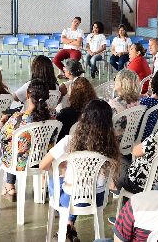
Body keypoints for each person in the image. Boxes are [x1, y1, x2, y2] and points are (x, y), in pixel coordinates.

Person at [40, 99, 121, 241]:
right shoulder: (111, 146)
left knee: (55, 182)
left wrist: (61, 167)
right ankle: (69, 225)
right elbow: (112, 182)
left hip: (69, 199)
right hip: (98, 199)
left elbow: (43, 165)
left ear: (83, 119)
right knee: (80, 187)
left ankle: (65, 228)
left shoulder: (68, 141)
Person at [0, 79, 51, 201]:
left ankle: (9, 185)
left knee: (11, 144)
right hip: (42, 159)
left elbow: (0, 137)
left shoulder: (18, 118)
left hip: (21, 164)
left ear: (27, 95)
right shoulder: (52, 117)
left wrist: (1, 122)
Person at [108, 69, 140, 141]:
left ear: (122, 83)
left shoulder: (115, 106)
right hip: (129, 140)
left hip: (113, 142)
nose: (114, 80)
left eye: (116, 79)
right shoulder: (137, 103)